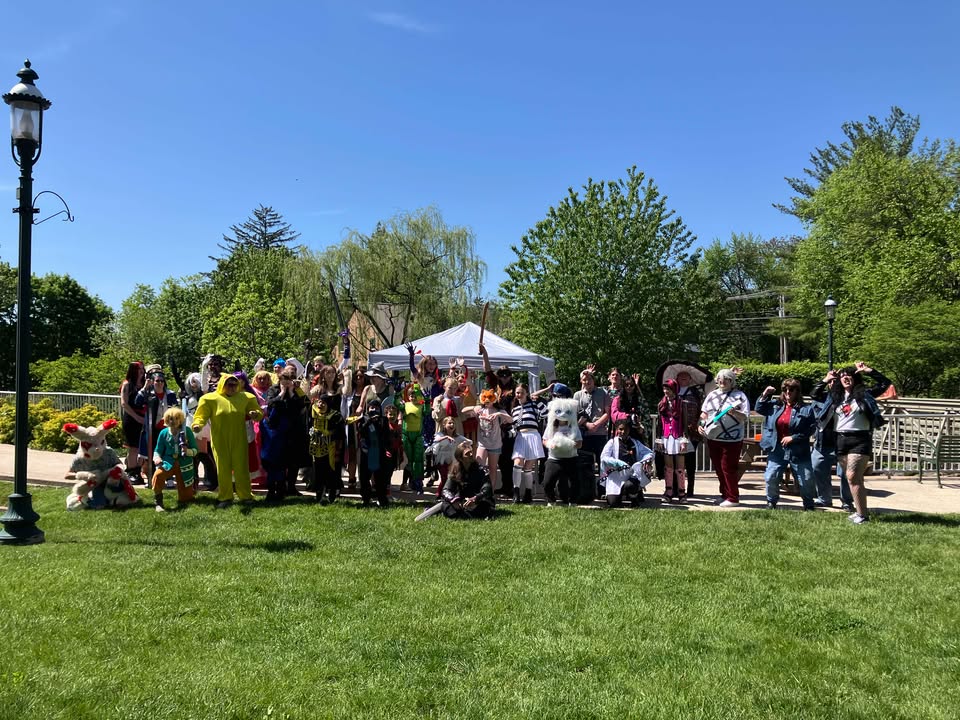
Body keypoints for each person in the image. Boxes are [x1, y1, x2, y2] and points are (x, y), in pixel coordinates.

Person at [809, 362, 891, 511]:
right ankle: (830, 501)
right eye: (842, 376)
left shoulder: (865, 394)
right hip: (838, 439)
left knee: (850, 475)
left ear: (855, 378)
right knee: (833, 472)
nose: (846, 378)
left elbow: (885, 383)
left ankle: (850, 504)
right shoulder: (834, 397)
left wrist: (868, 370)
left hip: (859, 439)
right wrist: (826, 379)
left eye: (849, 375)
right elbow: (814, 394)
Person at [192, 374, 263, 508]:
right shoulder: (210, 399)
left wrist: (255, 414)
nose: (232, 387)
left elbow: (258, 412)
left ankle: (245, 496)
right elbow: (201, 415)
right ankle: (225, 497)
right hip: (220, 440)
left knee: (241, 468)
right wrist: (197, 425)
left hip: (239, 439)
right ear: (222, 385)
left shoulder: (245, 397)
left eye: (235, 385)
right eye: (229, 385)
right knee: (223, 468)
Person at [756, 379, 817, 510]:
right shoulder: (775, 405)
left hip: (798, 449)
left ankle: (809, 505)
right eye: (785, 390)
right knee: (771, 476)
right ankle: (771, 502)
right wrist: (765, 394)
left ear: (797, 391)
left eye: (791, 390)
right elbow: (759, 408)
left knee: (806, 479)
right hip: (777, 448)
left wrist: (794, 437)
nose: (788, 392)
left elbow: (811, 429)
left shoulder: (806, 409)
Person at [699, 368, 750, 507]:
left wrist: (734, 413)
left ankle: (733, 497)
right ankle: (725, 495)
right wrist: (701, 424)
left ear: (732, 381)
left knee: (728, 467)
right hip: (713, 437)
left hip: (732, 439)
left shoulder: (740, 396)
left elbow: (745, 416)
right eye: (720, 378)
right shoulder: (712, 395)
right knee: (719, 468)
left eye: (726, 378)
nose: (722, 381)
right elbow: (704, 413)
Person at [260, 367, 310, 501]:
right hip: (276, 430)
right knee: (276, 461)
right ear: (280, 379)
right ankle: (274, 489)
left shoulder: (296, 390)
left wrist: (292, 392)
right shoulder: (273, 389)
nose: (287, 382)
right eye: (284, 379)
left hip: (293, 430)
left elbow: (304, 404)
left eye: (289, 379)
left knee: (293, 460)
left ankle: (291, 487)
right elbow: (270, 404)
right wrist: (282, 394)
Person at [461, 389, 513, 491]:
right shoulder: (480, 409)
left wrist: (499, 414)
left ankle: (490, 492)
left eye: (490, 398)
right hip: (482, 443)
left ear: (494, 399)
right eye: (485, 398)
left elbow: (511, 420)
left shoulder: (499, 411)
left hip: (495, 444)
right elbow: (463, 410)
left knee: (492, 468)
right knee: (479, 466)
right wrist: (474, 407)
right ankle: (479, 490)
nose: (487, 400)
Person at [150, 407, 198, 512]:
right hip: (168, 463)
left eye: (176, 418)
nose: (174, 421)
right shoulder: (163, 433)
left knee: (186, 499)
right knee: (158, 476)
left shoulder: (187, 431)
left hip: (184, 463)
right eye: (171, 419)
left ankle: (189, 493)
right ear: (167, 420)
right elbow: (158, 450)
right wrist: (157, 458)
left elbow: (195, 450)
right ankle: (158, 502)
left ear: (181, 419)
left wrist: (187, 451)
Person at [135, 367, 178, 481]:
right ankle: (153, 477)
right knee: (152, 453)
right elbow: (137, 402)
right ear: (152, 382)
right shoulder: (148, 393)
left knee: (167, 452)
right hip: (152, 428)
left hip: (167, 428)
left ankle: (168, 476)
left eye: (161, 381)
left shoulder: (170, 394)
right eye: (157, 381)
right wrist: (145, 387)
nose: (159, 383)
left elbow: (175, 408)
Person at [600, 419, 654, 507]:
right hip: (616, 476)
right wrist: (617, 463)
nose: (623, 432)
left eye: (626, 429)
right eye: (621, 429)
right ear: (617, 429)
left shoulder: (635, 442)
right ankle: (620, 495)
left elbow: (649, 453)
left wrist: (645, 461)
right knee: (613, 503)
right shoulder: (612, 442)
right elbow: (604, 458)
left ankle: (634, 497)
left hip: (631, 475)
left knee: (631, 485)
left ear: (629, 430)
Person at [542, 394, 583, 505]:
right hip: (554, 459)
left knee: (575, 482)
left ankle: (573, 502)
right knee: (547, 482)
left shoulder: (574, 428)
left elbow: (579, 444)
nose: (563, 415)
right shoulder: (551, 427)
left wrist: (569, 444)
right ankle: (551, 501)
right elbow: (544, 440)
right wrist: (549, 444)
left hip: (571, 458)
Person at [510, 383, 546, 503]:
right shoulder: (514, 409)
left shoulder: (534, 405)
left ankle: (528, 494)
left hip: (533, 435)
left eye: (521, 392)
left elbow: (545, 413)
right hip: (520, 436)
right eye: (517, 392)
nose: (519, 395)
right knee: (517, 463)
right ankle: (516, 493)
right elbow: (514, 427)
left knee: (528, 467)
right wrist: (510, 432)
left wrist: (538, 400)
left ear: (526, 394)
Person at [440, 441, 495, 520]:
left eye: (471, 452)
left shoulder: (481, 470)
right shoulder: (455, 471)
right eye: (467, 454)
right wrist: (454, 500)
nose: (471, 454)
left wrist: (475, 498)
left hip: (478, 501)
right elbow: (446, 490)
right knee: (445, 504)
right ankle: (464, 513)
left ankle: (460, 514)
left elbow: (487, 489)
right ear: (460, 458)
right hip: (462, 501)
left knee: (484, 507)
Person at [308, 388, 345, 505]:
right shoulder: (313, 412)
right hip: (316, 447)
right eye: (319, 402)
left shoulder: (335, 415)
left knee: (331, 472)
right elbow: (308, 424)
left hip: (330, 448)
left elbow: (340, 432)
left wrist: (327, 433)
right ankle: (319, 494)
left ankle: (332, 493)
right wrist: (312, 432)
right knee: (318, 471)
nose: (320, 404)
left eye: (323, 403)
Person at [657, 379, 691, 503]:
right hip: (666, 437)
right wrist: (659, 440)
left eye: (668, 389)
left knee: (680, 467)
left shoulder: (682, 403)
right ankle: (669, 492)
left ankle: (682, 493)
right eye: (664, 389)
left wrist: (684, 439)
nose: (666, 391)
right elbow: (659, 424)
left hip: (678, 437)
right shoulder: (661, 404)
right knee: (668, 467)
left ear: (674, 390)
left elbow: (685, 423)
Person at [574, 367, 611, 475]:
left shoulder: (603, 392)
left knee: (602, 462)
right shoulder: (577, 395)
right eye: (584, 380)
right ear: (581, 381)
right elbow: (576, 414)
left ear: (593, 380)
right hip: (584, 433)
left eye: (589, 379)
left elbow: (607, 412)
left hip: (600, 432)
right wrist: (587, 424)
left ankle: (602, 483)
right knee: (585, 464)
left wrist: (596, 424)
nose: (587, 382)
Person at [675, 370, 705, 497]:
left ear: (690, 379)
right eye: (680, 376)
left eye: (686, 376)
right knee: (675, 461)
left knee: (690, 462)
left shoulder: (697, 393)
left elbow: (703, 411)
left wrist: (700, 425)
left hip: (692, 432)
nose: (683, 377)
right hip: (676, 432)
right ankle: (676, 488)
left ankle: (690, 489)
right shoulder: (673, 391)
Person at [426, 416, 469, 497]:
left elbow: (470, 442)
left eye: (453, 423)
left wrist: (463, 444)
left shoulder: (457, 437)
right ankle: (439, 494)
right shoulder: (440, 435)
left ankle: (447, 494)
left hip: (452, 460)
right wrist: (446, 437)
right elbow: (435, 440)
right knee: (444, 478)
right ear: (444, 425)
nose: (452, 425)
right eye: (449, 423)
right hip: (441, 460)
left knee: (451, 478)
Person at [119, 361, 145, 483]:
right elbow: (124, 403)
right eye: (139, 369)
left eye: (142, 369)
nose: (142, 371)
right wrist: (136, 417)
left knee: (142, 447)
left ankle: (138, 470)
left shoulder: (144, 384)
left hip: (143, 418)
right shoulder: (127, 384)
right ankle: (132, 472)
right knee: (133, 447)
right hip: (131, 418)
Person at [610, 373, 650, 443]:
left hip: (637, 435)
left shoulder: (640, 400)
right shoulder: (617, 399)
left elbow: (647, 417)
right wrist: (629, 416)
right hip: (621, 433)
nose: (629, 387)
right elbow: (614, 415)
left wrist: (642, 428)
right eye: (626, 385)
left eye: (631, 385)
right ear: (623, 386)